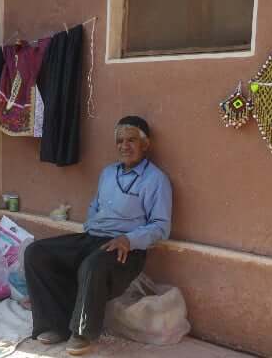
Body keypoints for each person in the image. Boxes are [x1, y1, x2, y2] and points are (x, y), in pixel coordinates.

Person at [24, 115, 172, 355]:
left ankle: (83, 333)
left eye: (131, 140)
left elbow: (161, 226)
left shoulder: (156, 180)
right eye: (120, 141)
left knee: (93, 265)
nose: (125, 146)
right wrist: (91, 225)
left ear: (145, 144)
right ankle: (55, 325)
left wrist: (129, 239)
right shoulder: (108, 173)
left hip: (126, 247)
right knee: (37, 253)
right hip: (92, 237)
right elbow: (95, 206)